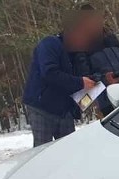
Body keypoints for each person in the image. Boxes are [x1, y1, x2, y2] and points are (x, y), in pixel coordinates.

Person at [23, 11, 95, 147]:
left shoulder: (79, 55)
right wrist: (81, 82)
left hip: (64, 110)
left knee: (69, 150)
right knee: (42, 150)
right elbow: (50, 74)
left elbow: (85, 80)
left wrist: (95, 84)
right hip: (41, 108)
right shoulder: (49, 44)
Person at [72, 4, 119, 115]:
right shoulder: (81, 47)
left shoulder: (112, 38)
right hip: (108, 103)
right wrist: (105, 80)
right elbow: (84, 79)